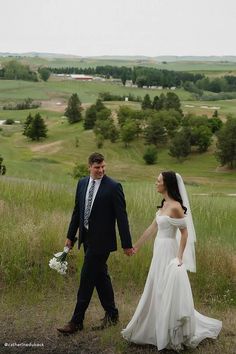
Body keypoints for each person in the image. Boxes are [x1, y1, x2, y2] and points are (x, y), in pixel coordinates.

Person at [121, 171, 222, 351]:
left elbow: (184, 233)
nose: (156, 183)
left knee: (165, 288)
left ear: (166, 184)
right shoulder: (164, 205)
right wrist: (135, 247)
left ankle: (170, 331)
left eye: (158, 181)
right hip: (158, 251)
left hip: (169, 251)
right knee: (156, 286)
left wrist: (179, 257)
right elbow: (151, 229)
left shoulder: (175, 207)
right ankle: (154, 326)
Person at [57, 152, 133, 334]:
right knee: (100, 276)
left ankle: (76, 321)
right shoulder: (82, 183)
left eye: (103, 167)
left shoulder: (114, 187)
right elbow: (77, 212)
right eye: (97, 167)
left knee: (86, 278)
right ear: (89, 167)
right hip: (86, 239)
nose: (101, 170)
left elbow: (122, 217)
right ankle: (112, 314)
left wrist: (126, 244)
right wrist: (70, 236)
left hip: (102, 242)